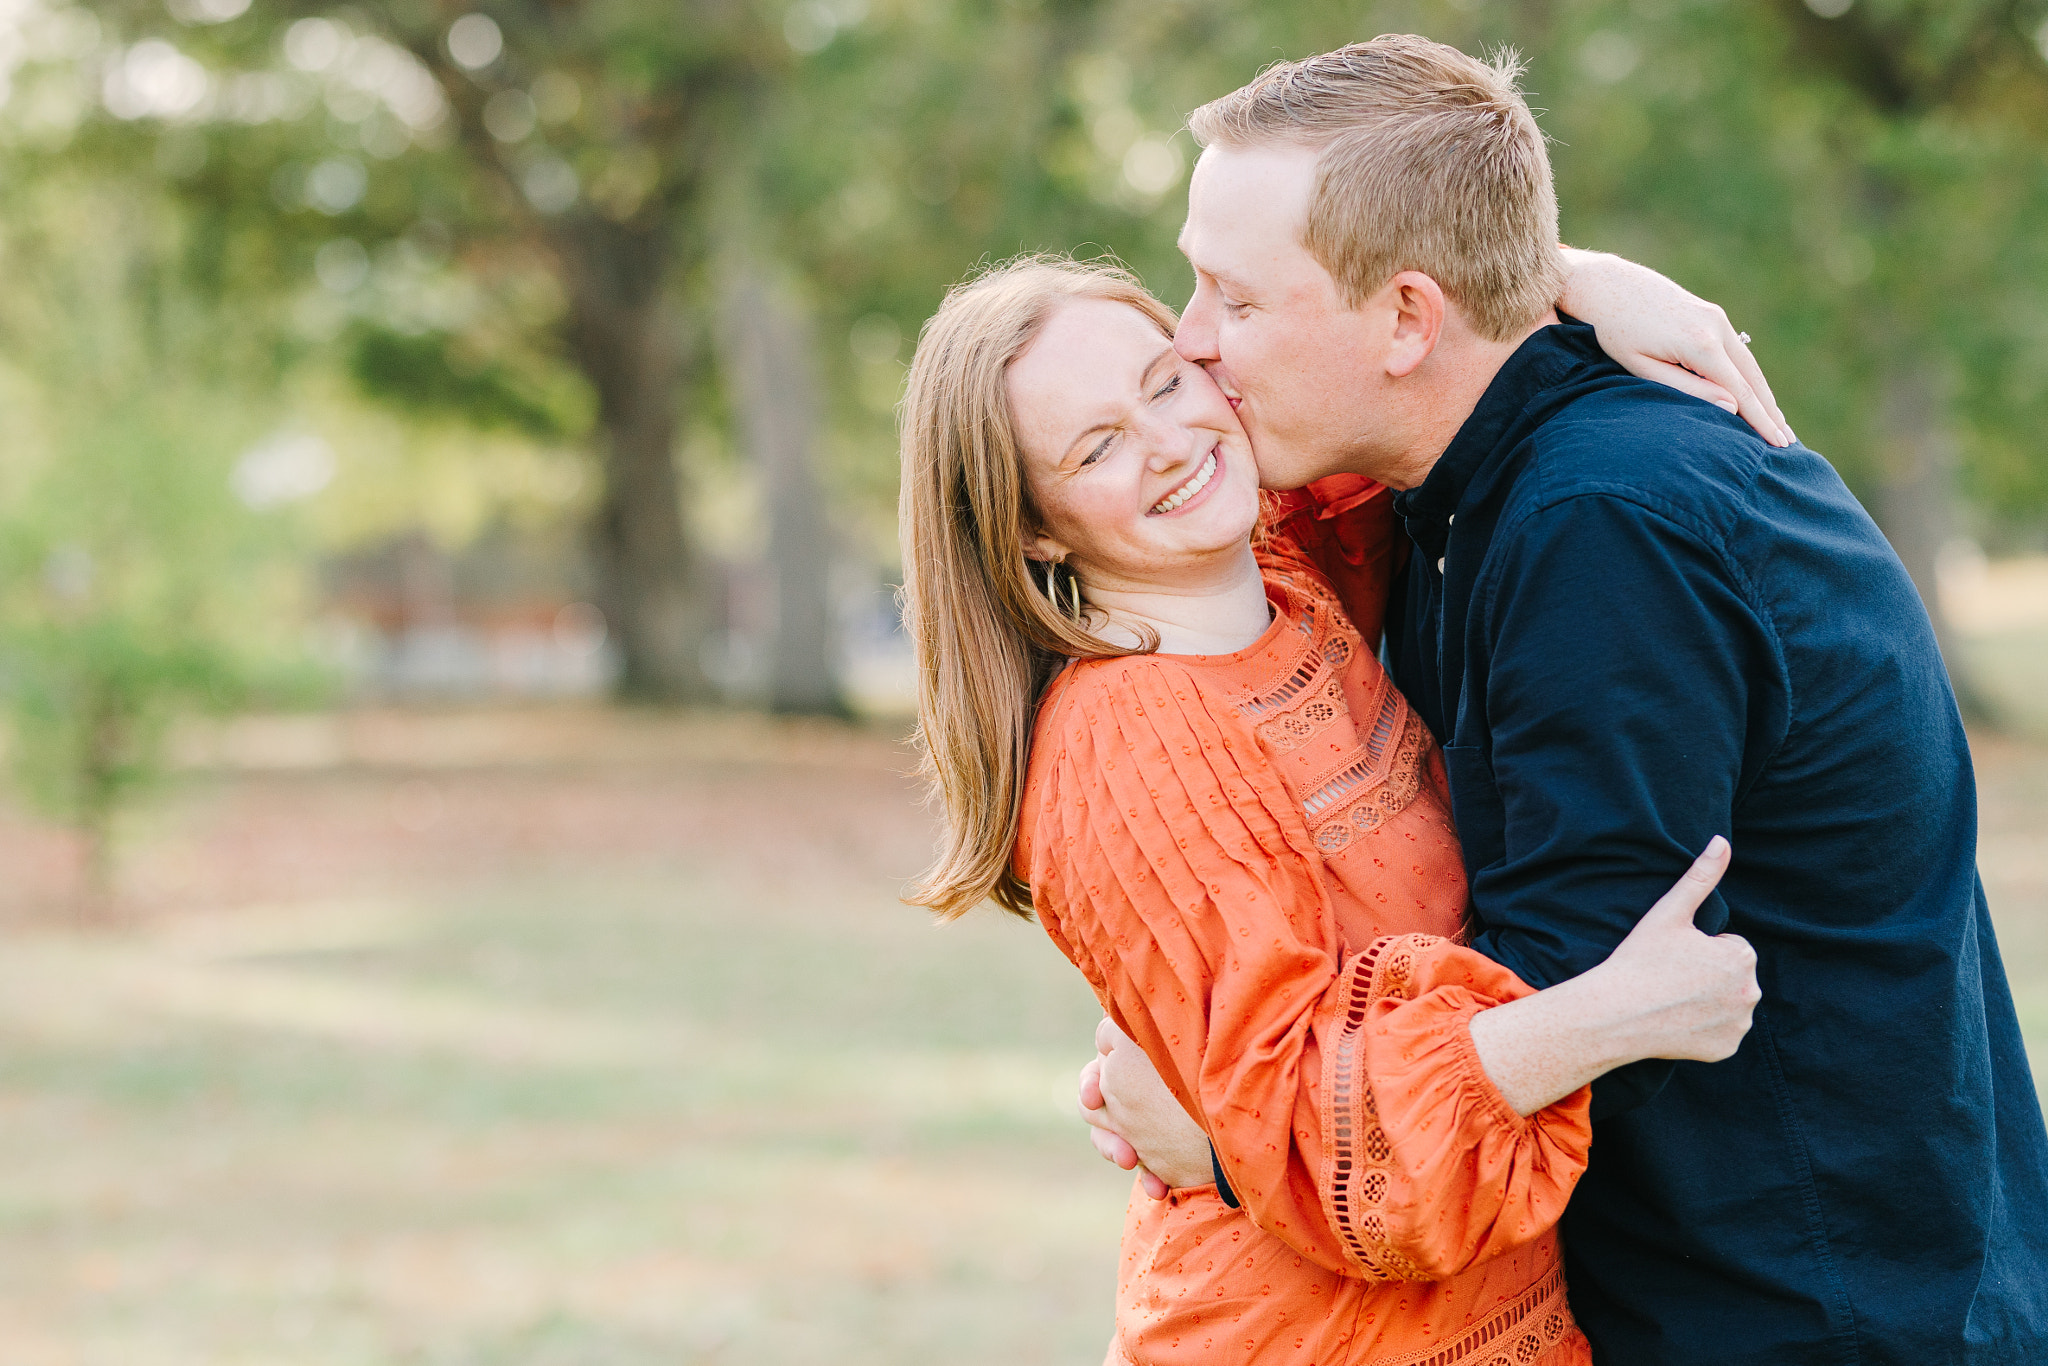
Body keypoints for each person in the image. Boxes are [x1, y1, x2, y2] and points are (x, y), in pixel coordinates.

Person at [1092, 35, 2048, 1365]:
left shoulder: (1605, 522)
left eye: (1232, 299)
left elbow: (1578, 1019)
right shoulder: (1461, 490)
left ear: (1410, 318)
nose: (1192, 344)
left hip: (1810, 1320)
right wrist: (1551, 271)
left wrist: (1233, 1141)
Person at [898, 252, 1766, 1365]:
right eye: (1097, 446)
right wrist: (1615, 1015)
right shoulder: (1131, 740)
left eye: (1165, 380)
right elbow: (1314, 1134)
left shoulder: (1276, 569)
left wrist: (1561, 274)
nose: (1168, 441)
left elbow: (1381, 352)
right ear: (1032, 531)